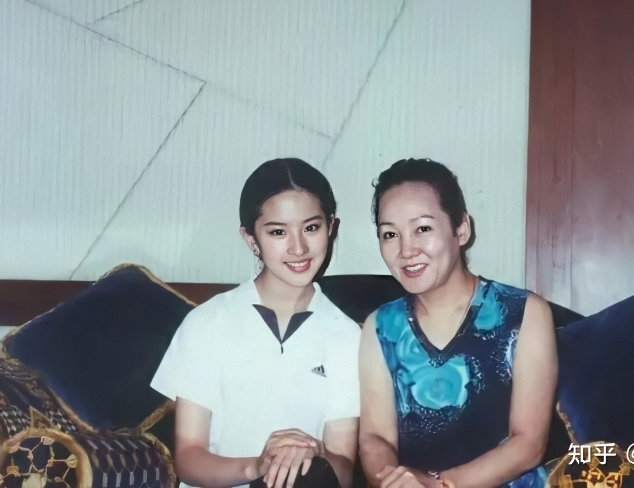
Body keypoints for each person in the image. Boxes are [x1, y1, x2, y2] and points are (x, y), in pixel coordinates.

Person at [151, 158, 361, 488]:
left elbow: (343, 474)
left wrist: (316, 452)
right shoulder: (208, 322)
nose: (298, 247)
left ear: (331, 227)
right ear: (251, 239)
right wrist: (258, 466)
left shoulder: (348, 336)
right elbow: (189, 459)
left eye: (311, 228)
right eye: (278, 232)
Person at [358, 159, 558, 488]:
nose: (407, 250)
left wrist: (439, 485)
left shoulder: (524, 313)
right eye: (390, 234)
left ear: (461, 229)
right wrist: (392, 481)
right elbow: (375, 438)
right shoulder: (380, 327)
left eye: (423, 229)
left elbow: (528, 444)